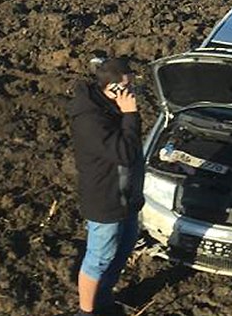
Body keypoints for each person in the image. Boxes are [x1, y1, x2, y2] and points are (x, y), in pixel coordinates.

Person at [67, 58, 145, 316]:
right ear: (111, 89)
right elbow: (125, 152)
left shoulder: (110, 108)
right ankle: (86, 311)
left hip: (126, 196)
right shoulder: (91, 120)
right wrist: (130, 114)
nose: (131, 93)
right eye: (126, 88)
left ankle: (102, 299)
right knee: (99, 257)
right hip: (106, 199)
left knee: (123, 248)